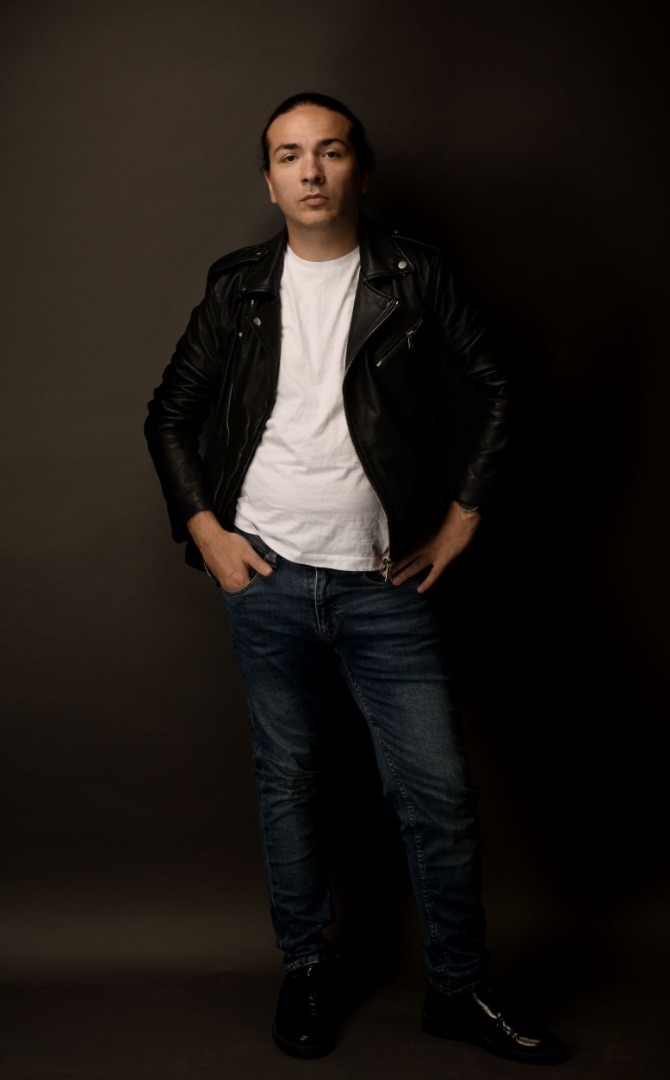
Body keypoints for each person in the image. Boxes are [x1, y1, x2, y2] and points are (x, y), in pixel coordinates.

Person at [145, 92, 565, 1065]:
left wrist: (462, 519)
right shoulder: (240, 288)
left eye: (330, 151)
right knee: (289, 782)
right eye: (290, 155)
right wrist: (206, 530)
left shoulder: (415, 275)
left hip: (386, 586)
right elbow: (170, 412)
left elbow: (503, 384)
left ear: (359, 171)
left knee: (438, 794)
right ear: (269, 181)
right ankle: (306, 968)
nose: (311, 170)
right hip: (265, 578)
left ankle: (458, 990)